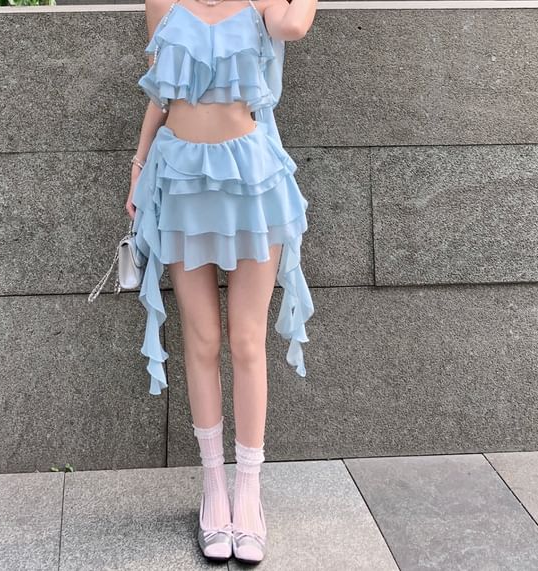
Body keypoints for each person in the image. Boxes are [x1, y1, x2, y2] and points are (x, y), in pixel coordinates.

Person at [125, 0, 317, 563]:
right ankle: (214, 487)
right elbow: (161, 93)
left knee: (247, 340)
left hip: (252, 177)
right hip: (181, 177)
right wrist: (138, 168)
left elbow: (294, 24)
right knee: (203, 339)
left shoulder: (261, 4)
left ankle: (248, 493)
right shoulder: (163, 4)